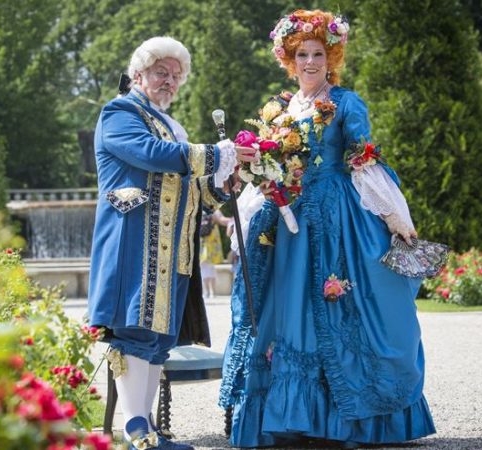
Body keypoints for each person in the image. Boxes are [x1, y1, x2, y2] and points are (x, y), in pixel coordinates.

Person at [219, 10, 436, 448]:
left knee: (351, 307)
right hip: (286, 222)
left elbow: (363, 161)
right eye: (303, 54)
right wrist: (247, 205)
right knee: (284, 309)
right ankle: (290, 417)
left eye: (319, 53)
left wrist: (396, 217)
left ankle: (350, 417)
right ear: (289, 58)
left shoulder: (346, 104)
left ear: (331, 55)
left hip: (338, 221)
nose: (311, 62)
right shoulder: (279, 110)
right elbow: (270, 169)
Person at [87, 36, 256, 450]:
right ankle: (136, 432)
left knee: (158, 340)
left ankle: (144, 433)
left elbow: (193, 191)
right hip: (134, 245)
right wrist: (217, 155)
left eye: (176, 77)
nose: (169, 82)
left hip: (173, 247)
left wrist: (226, 184)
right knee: (132, 334)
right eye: (162, 73)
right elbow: (150, 153)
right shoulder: (119, 113)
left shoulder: (170, 124)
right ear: (138, 74)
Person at [199, 209, 232, 299]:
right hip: (210, 241)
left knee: (205, 268)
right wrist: (232, 220)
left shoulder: (198, 206)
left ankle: (207, 292)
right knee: (209, 268)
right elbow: (221, 220)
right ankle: (211, 292)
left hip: (203, 241)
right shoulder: (212, 208)